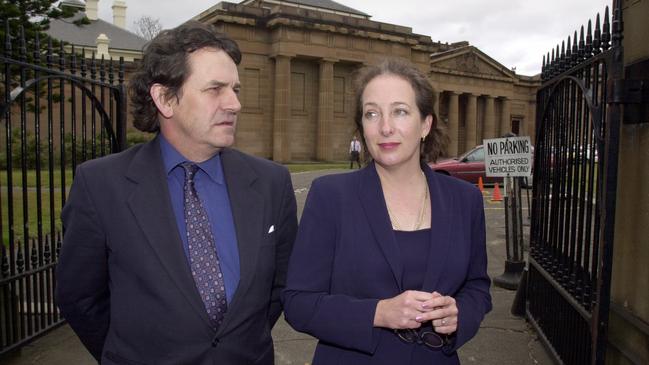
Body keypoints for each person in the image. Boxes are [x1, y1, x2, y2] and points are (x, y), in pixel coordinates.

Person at [56, 21, 297, 364]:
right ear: (165, 98)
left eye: (236, 89)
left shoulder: (271, 183)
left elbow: (278, 289)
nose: (234, 104)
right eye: (215, 89)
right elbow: (80, 299)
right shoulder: (101, 185)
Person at [282, 59, 491, 364]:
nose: (385, 127)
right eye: (372, 113)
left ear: (425, 124)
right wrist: (378, 313)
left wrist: (459, 315)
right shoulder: (330, 196)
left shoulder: (465, 200)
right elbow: (298, 302)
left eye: (400, 111)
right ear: (362, 127)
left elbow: (477, 287)